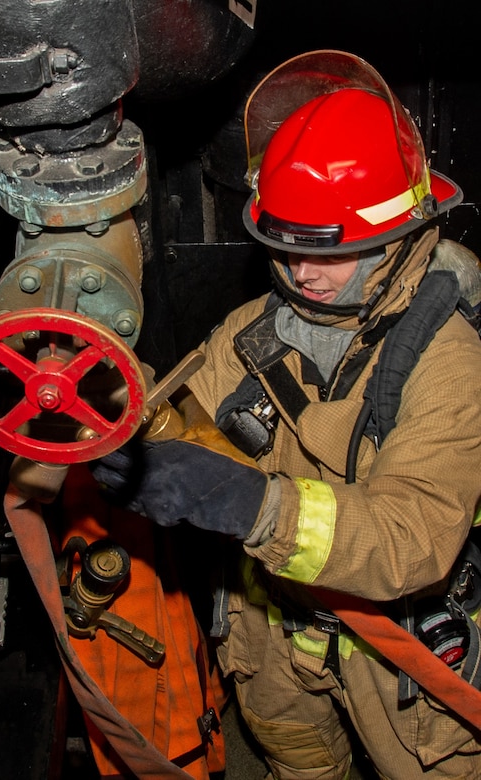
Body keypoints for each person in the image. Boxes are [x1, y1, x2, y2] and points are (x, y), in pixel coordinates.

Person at [92, 50, 481, 779]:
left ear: (399, 237)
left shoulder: (452, 365)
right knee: (293, 760)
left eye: (329, 254)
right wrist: (104, 401)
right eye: (285, 247)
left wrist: (250, 505)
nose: (302, 275)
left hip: (395, 647)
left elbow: (413, 539)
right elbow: (174, 408)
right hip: (275, 627)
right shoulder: (262, 328)